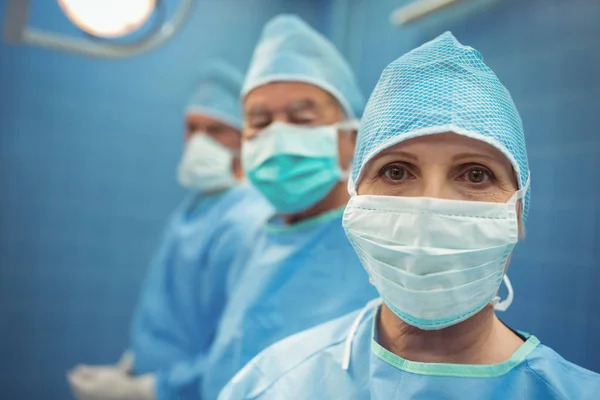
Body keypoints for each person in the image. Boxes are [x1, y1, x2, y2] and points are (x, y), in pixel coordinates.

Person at [217, 32, 600, 400]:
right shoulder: (273, 385)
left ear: (518, 213)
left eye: (475, 174)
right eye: (396, 171)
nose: (429, 207)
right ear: (355, 199)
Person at [67, 61, 273, 400]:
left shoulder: (247, 220)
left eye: (216, 130)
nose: (199, 140)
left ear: (244, 136)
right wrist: (136, 364)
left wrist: (150, 390)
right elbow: (172, 309)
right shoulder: (197, 206)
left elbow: (237, 347)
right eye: (192, 128)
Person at [198, 14, 379, 399]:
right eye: (260, 121)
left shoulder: (381, 248)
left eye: (303, 118)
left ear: (351, 138)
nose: (278, 135)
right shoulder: (253, 240)